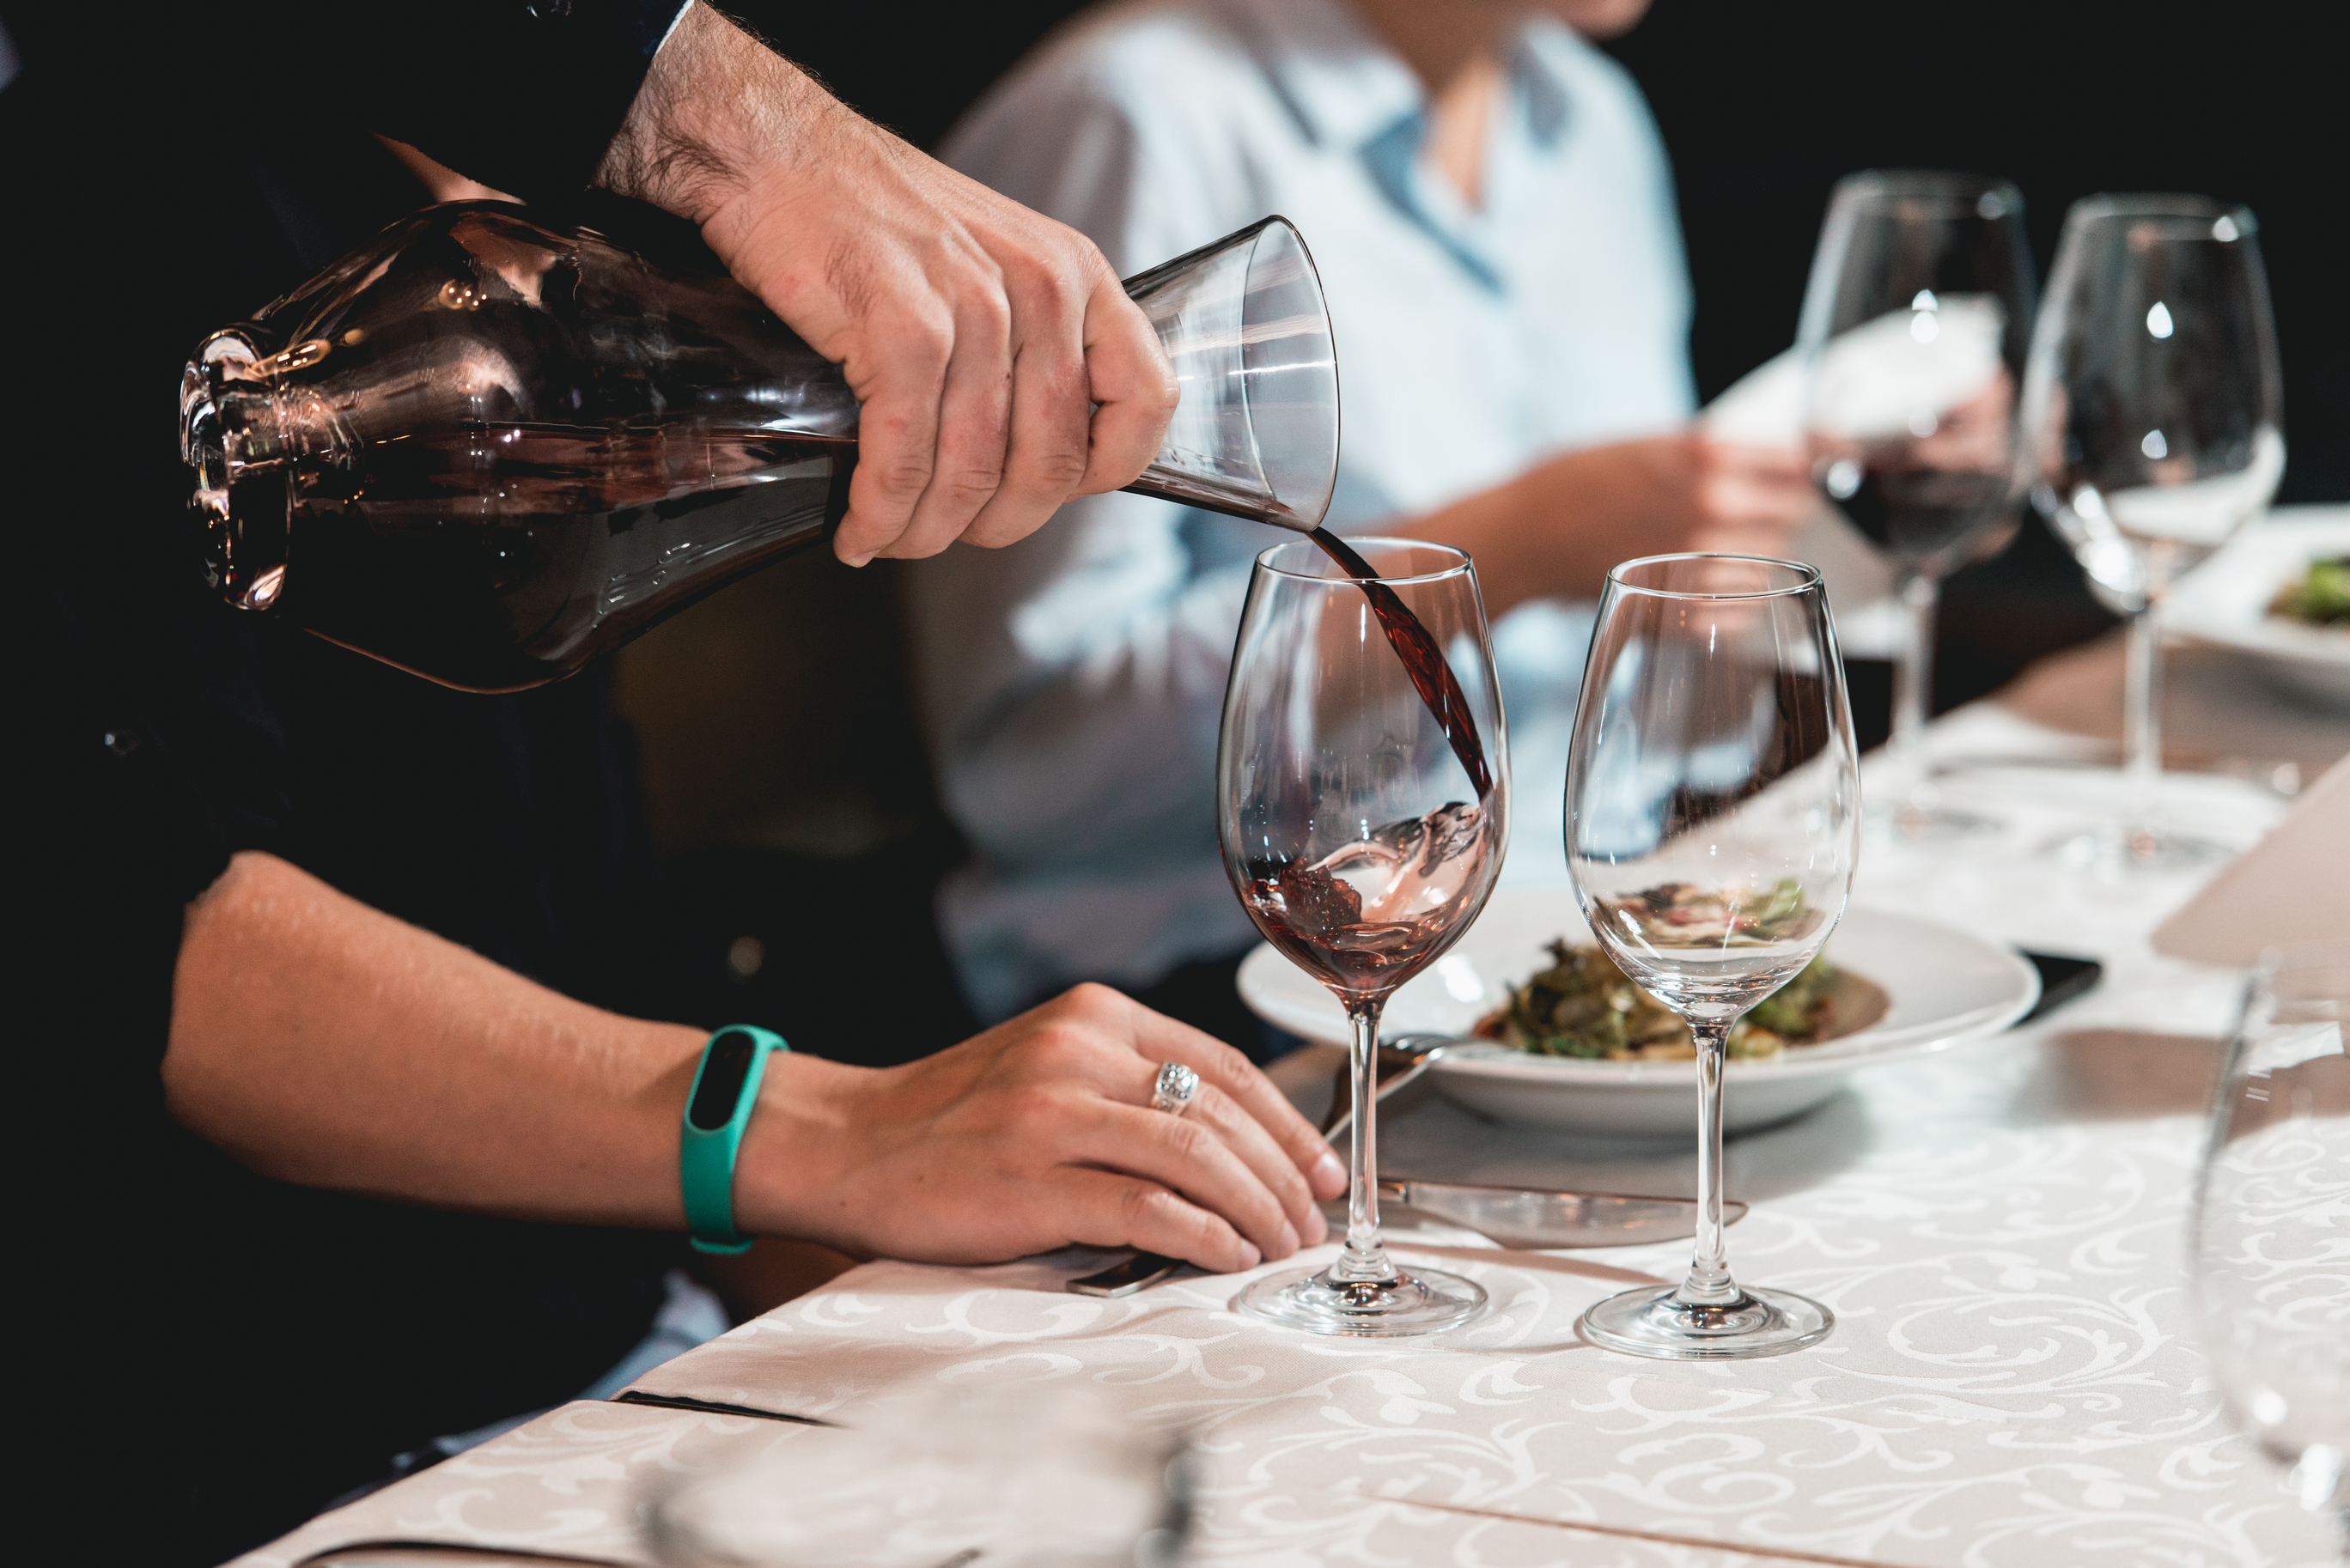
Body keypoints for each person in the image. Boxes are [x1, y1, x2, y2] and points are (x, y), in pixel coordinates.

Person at [11, 3, 1340, 1559]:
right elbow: (131, 939)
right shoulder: (119, 200)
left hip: (624, 1365)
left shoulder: (541, 223)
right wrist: (844, 1134)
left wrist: (927, 1310)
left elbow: (563, 908)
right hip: (293, 1452)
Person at [902, 0, 1819, 1039]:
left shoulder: (1589, 117)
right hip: (1232, 994)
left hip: (1578, 936)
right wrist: (1514, 545)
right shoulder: (1131, 117)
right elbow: (1032, 782)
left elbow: (1659, 751)